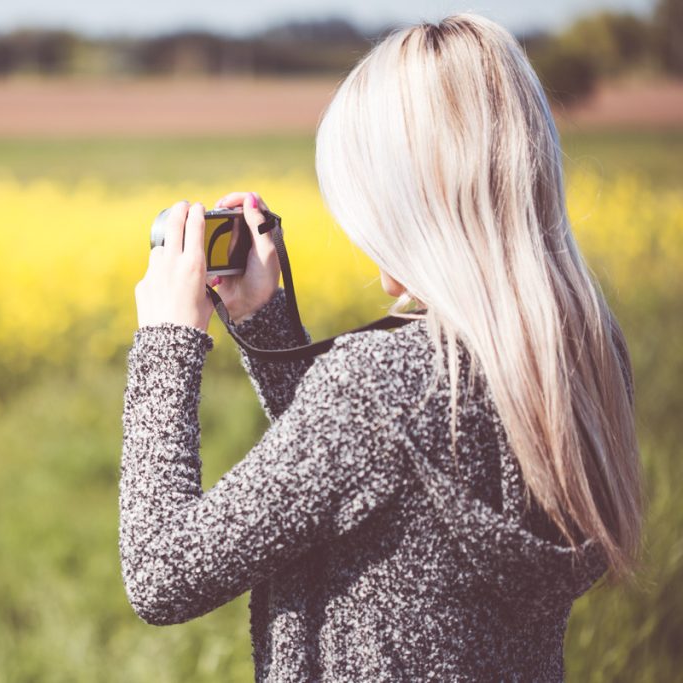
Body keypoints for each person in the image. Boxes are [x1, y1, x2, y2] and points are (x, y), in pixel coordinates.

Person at [119, 12, 641, 681]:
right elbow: (371, 480)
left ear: (401, 203)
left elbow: (160, 571)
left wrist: (168, 341)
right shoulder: (580, 353)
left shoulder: (382, 386)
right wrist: (263, 320)